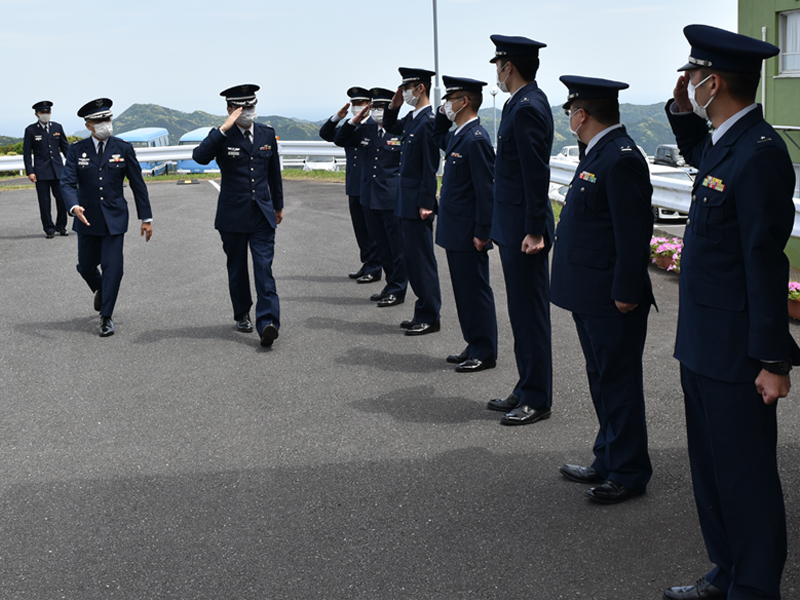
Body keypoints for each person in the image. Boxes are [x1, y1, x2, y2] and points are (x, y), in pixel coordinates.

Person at [662, 25, 799, 600]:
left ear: (713, 81)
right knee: (712, 473)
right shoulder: (723, 141)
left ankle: (755, 586)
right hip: (701, 342)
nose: (688, 83)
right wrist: (678, 106)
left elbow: (764, 264)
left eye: (694, 76)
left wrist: (773, 359)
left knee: (746, 479)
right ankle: (726, 569)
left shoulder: (761, 155)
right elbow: (699, 151)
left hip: (738, 353)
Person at [550, 76, 655, 504]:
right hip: (591, 292)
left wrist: (627, 290)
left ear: (581, 114)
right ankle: (608, 456)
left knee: (619, 382)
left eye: (571, 111)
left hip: (613, 297)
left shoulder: (620, 157)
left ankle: (629, 472)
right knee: (602, 379)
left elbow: (634, 233)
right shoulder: (597, 152)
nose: (570, 118)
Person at [484, 35, 555, 425]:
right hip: (513, 226)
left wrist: (534, 229)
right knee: (520, 312)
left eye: (498, 64)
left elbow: (534, 173)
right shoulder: (520, 102)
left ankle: (537, 398)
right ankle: (527, 384)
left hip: (525, 232)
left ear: (508, 66)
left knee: (530, 315)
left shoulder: (527, 106)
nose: (496, 70)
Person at [192, 84, 284, 347]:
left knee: (264, 268)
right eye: (242, 108)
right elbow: (199, 157)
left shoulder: (267, 134)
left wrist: (278, 205)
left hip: (262, 215)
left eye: (252, 107)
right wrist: (224, 128)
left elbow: (274, 173)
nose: (248, 112)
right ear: (230, 109)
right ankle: (242, 312)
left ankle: (268, 322)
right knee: (237, 268)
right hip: (232, 215)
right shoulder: (222, 136)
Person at [61, 98, 153, 337]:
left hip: (114, 219)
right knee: (86, 266)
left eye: (108, 119)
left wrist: (146, 218)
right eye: (100, 120)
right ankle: (101, 289)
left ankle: (106, 316)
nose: (106, 124)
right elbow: (67, 183)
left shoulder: (123, 148)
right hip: (87, 219)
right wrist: (73, 206)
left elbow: (137, 184)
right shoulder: (76, 150)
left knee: (114, 268)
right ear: (89, 125)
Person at [430, 76, 497, 373]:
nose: (445, 104)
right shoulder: (459, 134)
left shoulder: (477, 139)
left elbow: (486, 191)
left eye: (450, 99)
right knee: (463, 292)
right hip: (455, 230)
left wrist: (483, 232)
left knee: (475, 292)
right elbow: (437, 136)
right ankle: (473, 343)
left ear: (464, 102)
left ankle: (484, 351)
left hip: (469, 232)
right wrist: (441, 115)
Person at [382, 67, 442, 336]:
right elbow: (391, 128)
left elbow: (431, 165)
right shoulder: (412, 118)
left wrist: (427, 202)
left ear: (421, 88)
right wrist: (393, 108)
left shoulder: (428, 120)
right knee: (412, 259)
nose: (403, 92)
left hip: (418, 202)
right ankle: (422, 311)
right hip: (405, 200)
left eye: (407, 88)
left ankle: (430, 315)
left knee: (421, 261)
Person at [335, 88, 408, 309]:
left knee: (397, 247)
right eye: (374, 107)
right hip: (370, 196)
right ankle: (389, 284)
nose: (377, 111)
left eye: (381, 107)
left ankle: (398, 289)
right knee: (383, 246)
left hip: (392, 197)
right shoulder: (364, 130)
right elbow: (340, 139)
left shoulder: (400, 129)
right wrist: (353, 120)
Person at [319, 87, 381, 284]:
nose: (357, 108)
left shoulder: (374, 126)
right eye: (354, 104)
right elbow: (327, 134)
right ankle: (367, 263)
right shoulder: (350, 128)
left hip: (369, 185)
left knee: (372, 230)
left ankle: (375, 267)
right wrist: (338, 117)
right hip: (354, 184)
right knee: (360, 228)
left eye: (360, 103)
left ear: (369, 105)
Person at [23, 101, 70, 238]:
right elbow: (27, 153)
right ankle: (49, 228)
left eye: (47, 112)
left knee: (62, 199)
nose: (45, 115)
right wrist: (30, 171)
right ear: (36, 114)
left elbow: (65, 148)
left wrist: (72, 166)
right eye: (42, 112)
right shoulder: (31, 130)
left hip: (58, 171)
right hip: (40, 172)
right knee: (44, 202)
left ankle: (61, 226)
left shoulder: (57, 127)